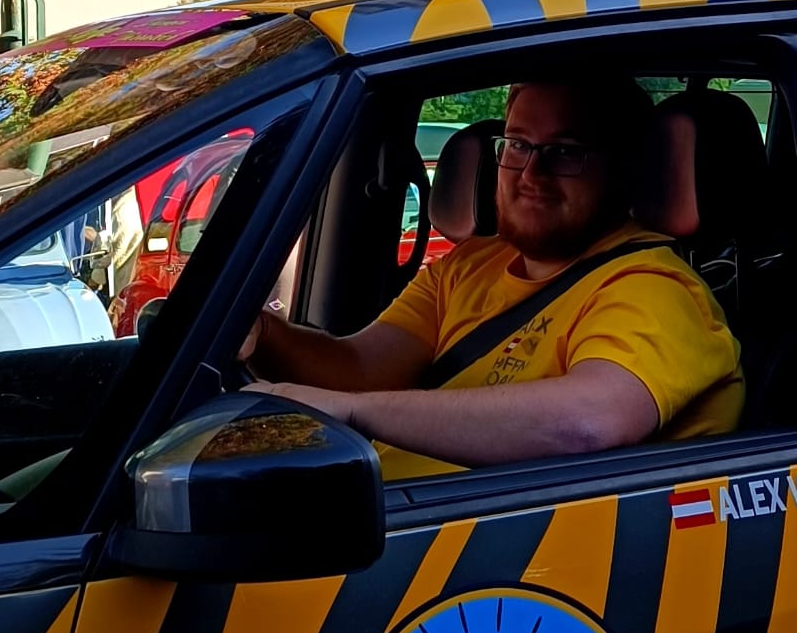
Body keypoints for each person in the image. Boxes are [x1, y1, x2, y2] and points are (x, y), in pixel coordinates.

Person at [248, 79, 742, 479]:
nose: (531, 173)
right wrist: (262, 334)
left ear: (623, 169)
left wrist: (351, 412)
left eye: (565, 152)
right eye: (519, 145)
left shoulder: (655, 288)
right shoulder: (469, 265)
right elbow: (360, 369)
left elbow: (589, 422)